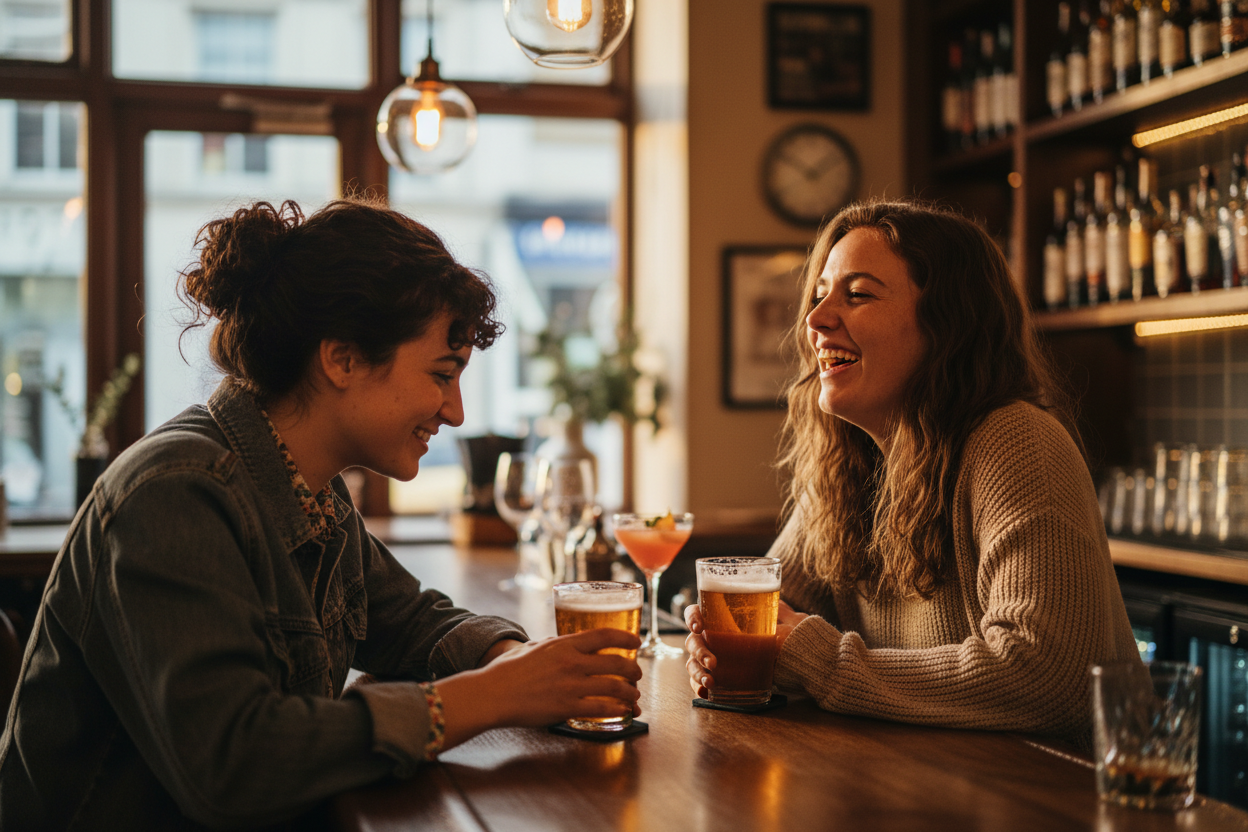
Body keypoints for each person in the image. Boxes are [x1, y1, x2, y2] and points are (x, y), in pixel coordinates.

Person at [0, 199, 643, 830]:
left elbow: (411, 621)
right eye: (442, 374)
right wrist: (495, 696)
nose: (456, 412)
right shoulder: (175, 494)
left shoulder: (310, 489)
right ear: (341, 359)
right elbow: (235, 767)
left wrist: (515, 661)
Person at [684, 200, 1139, 751]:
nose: (816, 319)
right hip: (930, 789)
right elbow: (778, 613)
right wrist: (722, 646)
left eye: (857, 294)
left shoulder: (1015, 441)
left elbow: (1046, 675)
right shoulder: (852, 461)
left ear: (949, 322)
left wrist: (814, 658)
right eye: (820, 294)